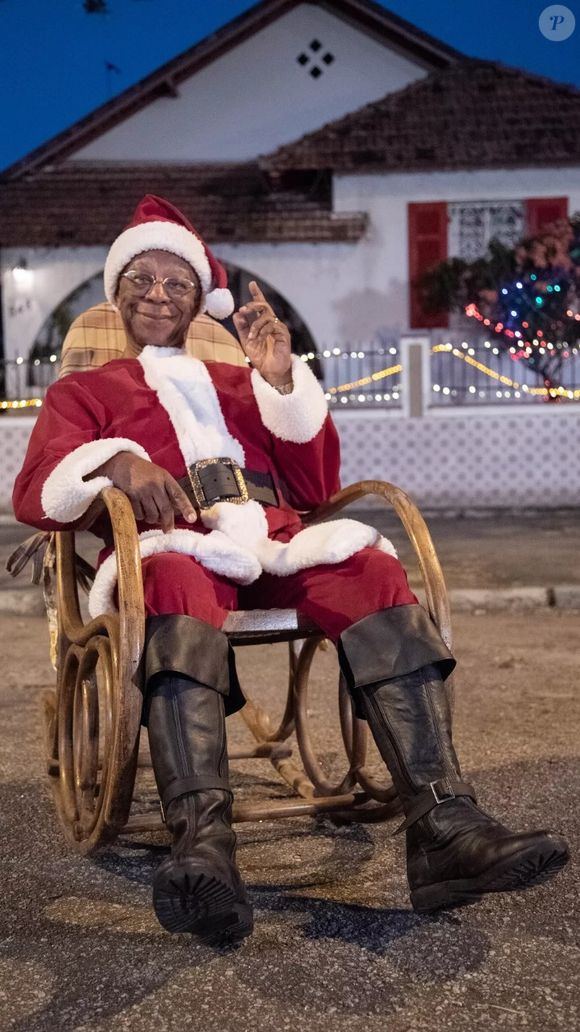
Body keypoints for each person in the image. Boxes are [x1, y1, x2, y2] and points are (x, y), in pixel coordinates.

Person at [13, 195, 569, 947]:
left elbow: (312, 490)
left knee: (371, 570)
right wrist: (116, 459)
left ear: (196, 300)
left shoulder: (242, 383)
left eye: (176, 283)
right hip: (173, 546)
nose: (157, 294)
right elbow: (36, 490)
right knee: (173, 579)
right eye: (140, 278)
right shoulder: (87, 389)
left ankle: (445, 826)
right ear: (116, 292)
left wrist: (280, 380)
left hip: (271, 542)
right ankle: (203, 846)